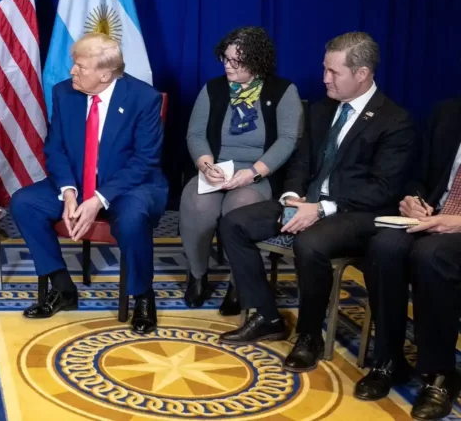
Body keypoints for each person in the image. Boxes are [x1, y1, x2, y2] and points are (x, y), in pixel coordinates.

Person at [218, 32, 415, 374]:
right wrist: (291, 196)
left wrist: (322, 208)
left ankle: (309, 336)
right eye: (324, 69)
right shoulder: (322, 109)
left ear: (362, 74)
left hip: (357, 214)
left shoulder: (395, 121)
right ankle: (267, 316)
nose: (324, 78)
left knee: (310, 243)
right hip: (306, 202)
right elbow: (301, 162)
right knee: (234, 223)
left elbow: (383, 190)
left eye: (333, 72)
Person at [10, 33, 168, 333]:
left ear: (105, 74)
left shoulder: (144, 98)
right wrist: (69, 192)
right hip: (78, 181)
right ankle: (62, 288)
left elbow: (144, 161)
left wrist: (98, 199)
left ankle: (142, 297)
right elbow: (55, 148)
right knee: (24, 202)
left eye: (80, 66)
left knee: (133, 219)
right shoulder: (64, 93)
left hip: (128, 186)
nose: (72, 71)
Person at [180, 27, 302, 309]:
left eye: (236, 61)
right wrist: (206, 165)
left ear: (257, 61)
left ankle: (239, 281)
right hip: (216, 167)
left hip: (258, 173)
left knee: (239, 208)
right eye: (225, 58)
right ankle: (197, 275)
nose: (228, 65)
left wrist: (253, 173)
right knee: (197, 205)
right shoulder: (213, 89)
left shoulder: (283, 91)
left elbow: (288, 139)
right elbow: (195, 134)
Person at [356, 97, 461, 420]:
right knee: (384, 246)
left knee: (430, 255)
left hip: (455, 228)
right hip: (433, 216)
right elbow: (420, 177)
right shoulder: (448, 112)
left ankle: (440, 373)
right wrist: (413, 200)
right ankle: (389, 360)